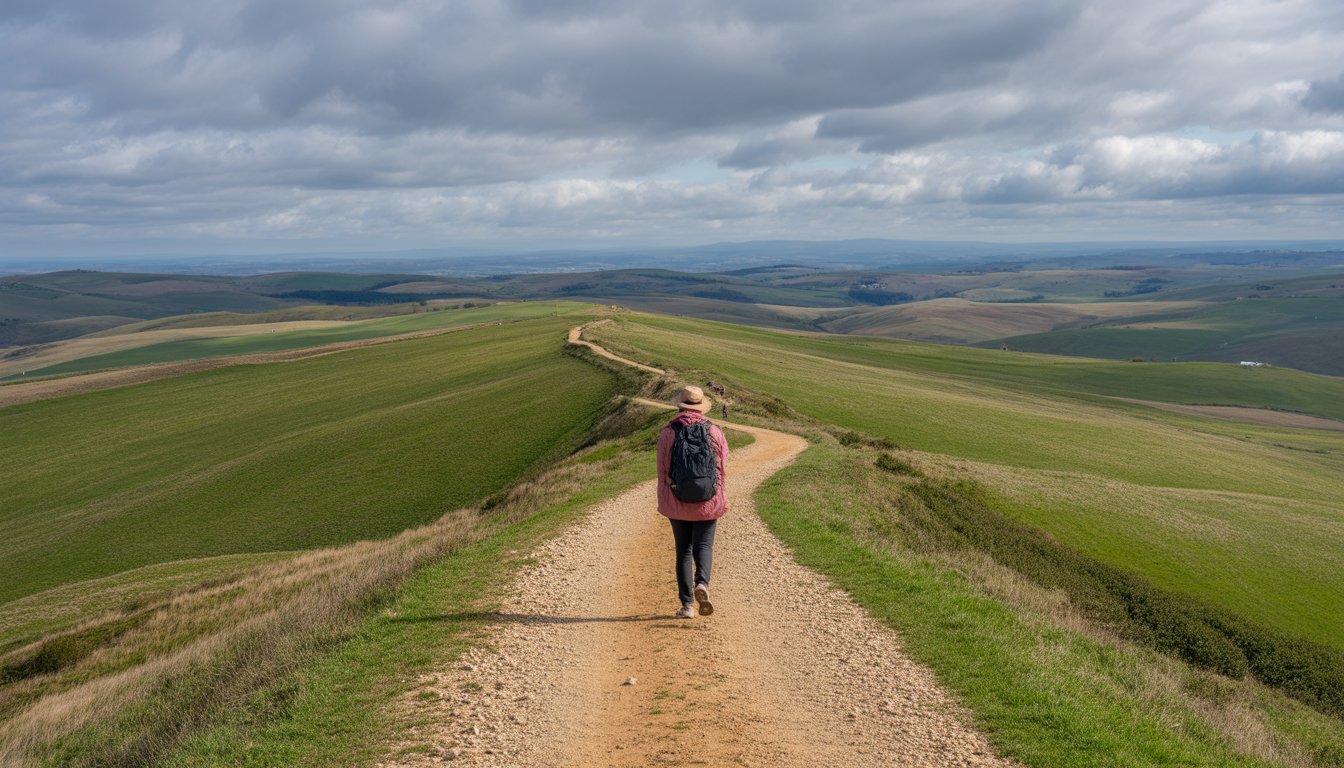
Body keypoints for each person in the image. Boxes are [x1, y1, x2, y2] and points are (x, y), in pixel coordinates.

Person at [656, 385, 729, 619]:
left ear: (680, 405)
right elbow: (722, 467)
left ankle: (687, 606)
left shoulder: (669, 432)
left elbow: (662, 470)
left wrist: (666, 496)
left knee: (683, 551)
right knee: (704, 546)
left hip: (677, 499)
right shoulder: (714, 431)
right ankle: (702, 585)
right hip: (708, 500)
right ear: (701, 407)